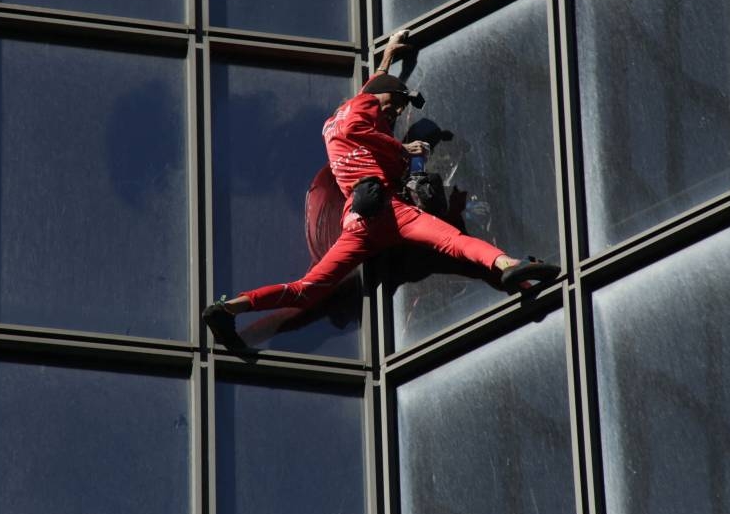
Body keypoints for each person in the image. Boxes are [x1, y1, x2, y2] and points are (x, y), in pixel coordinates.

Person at [203, 30, 559, 347]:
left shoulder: (346, 114)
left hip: (358, 224)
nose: (396, 113)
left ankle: (230, 307)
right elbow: (369, 114)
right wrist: (403, 149)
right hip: (390, 212)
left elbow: (371, 91)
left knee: (307, 289)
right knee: (454, 241)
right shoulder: (362, 118)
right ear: (382, 100)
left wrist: (388, 54)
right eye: (398, 104)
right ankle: (508, 265)